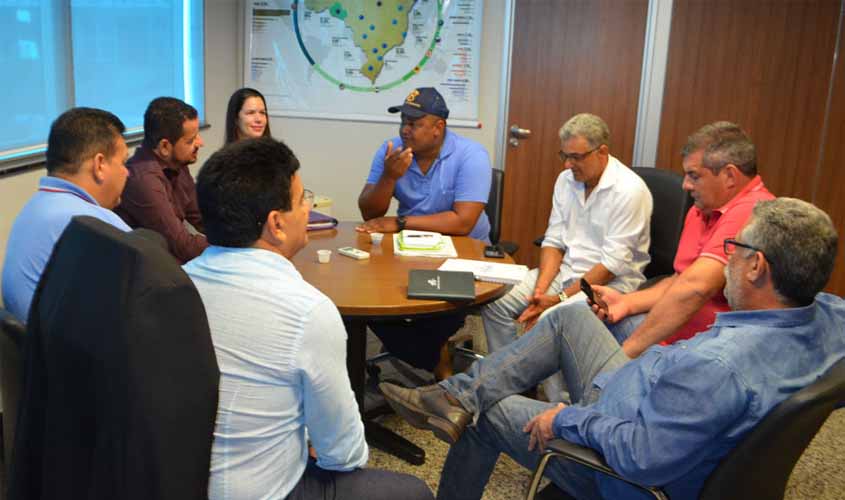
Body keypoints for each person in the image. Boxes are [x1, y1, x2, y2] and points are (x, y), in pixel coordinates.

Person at [381, 197, 844, 500]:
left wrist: (566, 417)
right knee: (570, 317)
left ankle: (465, 406)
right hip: (644, 398)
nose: (726, 263)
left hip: (620, 468)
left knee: (493, 412)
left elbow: (640, 458)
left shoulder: (717, 368)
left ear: (757, 266)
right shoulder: (828, 314)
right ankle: (454, 397)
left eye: (733, 251)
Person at [183, 137, 433, 500]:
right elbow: (343, 454)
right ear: (276, 224)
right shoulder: (306, 311)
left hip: (180, 480)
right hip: (264, 492)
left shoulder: (178, 282)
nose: (308, 206)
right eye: (303, 199)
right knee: (414, 492)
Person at [482, 113, 652, 356]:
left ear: (601, 152)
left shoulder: (630, 191)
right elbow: (553, 240)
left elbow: (611, 265)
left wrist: (557, 299)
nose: (567, 164)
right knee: (495, 304)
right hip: (566, 273)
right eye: (564, 155)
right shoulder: (566, 180)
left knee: (549, 321)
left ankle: (557, 395)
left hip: (611, 285)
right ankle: (512, 377)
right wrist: (540, 292)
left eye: (576, 157)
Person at [357, 87, 493, 379]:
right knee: (367, 300)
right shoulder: (391, 150)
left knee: (439, 306)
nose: (405, 130)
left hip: (462, 253)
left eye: (414, 123)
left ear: (438, 127)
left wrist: (402, 223)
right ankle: (435, 360)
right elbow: (369, 211)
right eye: (403, 121)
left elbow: (463, 222)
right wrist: (389, 176)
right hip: (407, 251)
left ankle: (437, 362)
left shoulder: (471, 155)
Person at [2, 107, 130, 322]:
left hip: (30, 348)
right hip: (67, 352)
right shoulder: (94, 223)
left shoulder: (34, 208)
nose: (127, 172)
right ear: (99, 165)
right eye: (124, 162)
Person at [115, 97, 207, 263]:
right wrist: (231, 246)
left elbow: (202, 216)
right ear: (165, 146)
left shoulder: (177, 163)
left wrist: (238, 236)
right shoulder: (143, 181)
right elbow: (183, 246)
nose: (201, 143)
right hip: (150, 273)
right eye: (191, 140)